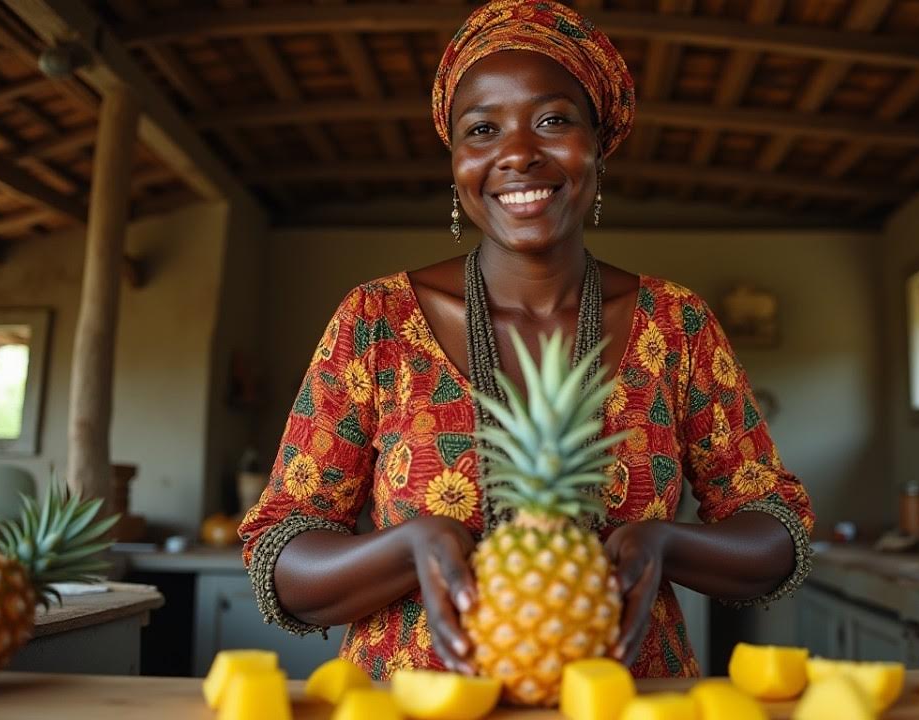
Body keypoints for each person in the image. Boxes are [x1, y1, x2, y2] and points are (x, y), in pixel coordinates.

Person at [239, 0, 814, 681]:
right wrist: (406, 549)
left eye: (553, 120)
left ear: (597, 145)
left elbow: (776, 526)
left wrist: (664, 543)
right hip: (414, 703)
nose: (517, 153)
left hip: (625, 698)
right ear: (456, 163)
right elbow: (279, 553)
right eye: (482, 129)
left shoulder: (676, 323)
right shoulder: (377, 321)